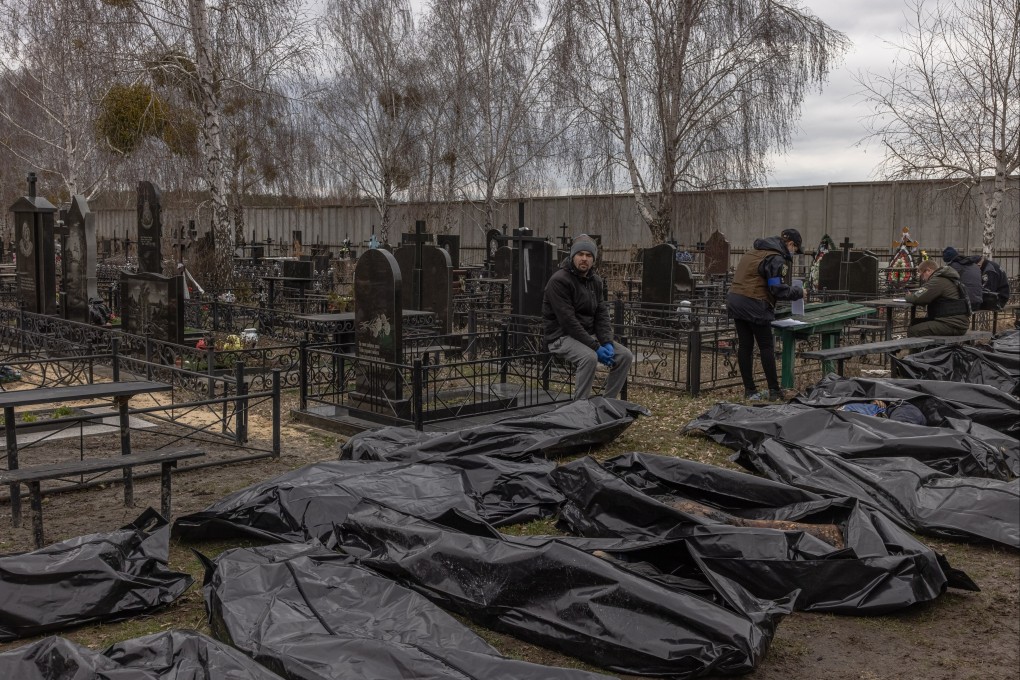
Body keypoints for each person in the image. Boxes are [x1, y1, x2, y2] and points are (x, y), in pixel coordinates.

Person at [543, 234, 633, 400]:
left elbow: (601, 313)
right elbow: (568, 321)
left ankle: (608, 402)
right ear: (573, 256)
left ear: (593, 259)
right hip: (561, 336)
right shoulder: (559, 281)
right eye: (580, 254)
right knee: (589, 357)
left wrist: (606, 342)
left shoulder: (595, 281)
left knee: (625, 355)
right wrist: (596, 347)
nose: (584, 259)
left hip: (587, 336)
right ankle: (580, 407)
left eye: (589, 255)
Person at [726, 228, 804, 401]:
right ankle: (774, 391)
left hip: (735, 301)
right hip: (754, 303)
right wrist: (799, 292)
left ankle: (750, 390)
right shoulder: (776, 258)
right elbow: (777, 288)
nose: (794, 253)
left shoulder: (753, 252)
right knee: (766, 346)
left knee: (745, 346)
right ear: (790, 244)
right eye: (795, 250)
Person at [904, 259, 970, 337]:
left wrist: (907, 296)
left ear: (928, 270)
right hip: (955, 322)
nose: (923, 279)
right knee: (915, 322)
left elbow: (917, 298)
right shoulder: (946, 278)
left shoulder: (937, 281)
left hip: (952, 324)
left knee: (913, 331)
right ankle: (928, 348)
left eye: (922, 275)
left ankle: (927, 349)